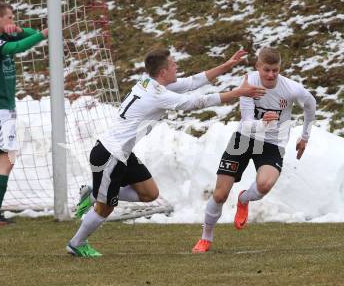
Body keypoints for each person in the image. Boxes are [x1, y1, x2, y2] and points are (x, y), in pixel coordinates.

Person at [67, 48, 266, 257]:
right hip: (109, 155)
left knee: (149, 194)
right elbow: (195, 103)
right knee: (105, 208)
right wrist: (237, 93)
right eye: (173, 64)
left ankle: (94, 191)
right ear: (163, 72)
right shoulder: (157, 94)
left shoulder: (149, 82)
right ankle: (77, 243)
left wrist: (227, 65)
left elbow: (192, 82)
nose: (176, 66)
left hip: (121, 154)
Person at [192, 47, 317, 253]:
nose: (270, 75)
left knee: (265, 185)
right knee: (220, 194)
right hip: (245, 138)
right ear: (258, 66)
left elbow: (310, 105)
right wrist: (263, 123)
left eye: (275, 70)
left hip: (273, 142)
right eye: (266, 70)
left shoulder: (292, 89)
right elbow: (248, 122)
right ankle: (206, 237)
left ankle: (243, 199)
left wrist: (304, 137)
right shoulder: (249, 83)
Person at [0, 1, 48, 225]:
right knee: (7, 159)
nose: (12, 21)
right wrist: (44, 34)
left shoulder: (3, 35)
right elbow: (17, 48)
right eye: (10, 18)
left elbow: (29, 35)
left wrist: (17, 30)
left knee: (0, 158)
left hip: (2, 106)